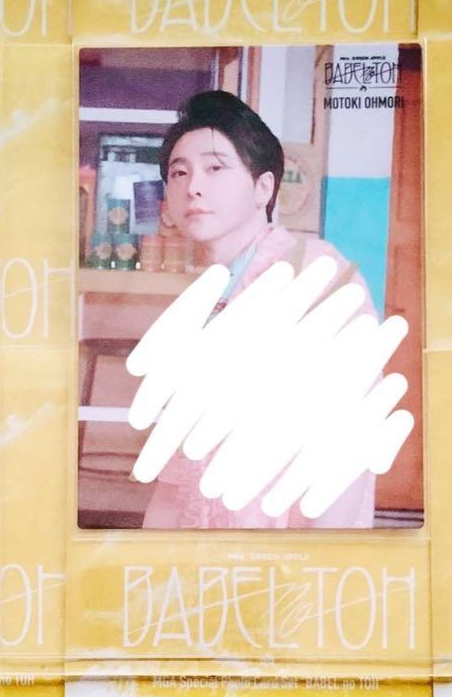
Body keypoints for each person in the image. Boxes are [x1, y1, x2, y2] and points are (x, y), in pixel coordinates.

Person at [141, 89, 377, 530]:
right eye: (179, 172)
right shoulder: (206, 299)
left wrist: (320, 564)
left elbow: (346, 447)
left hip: (283, 557)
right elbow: (176, 470)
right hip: (206, 553)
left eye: (215, 168)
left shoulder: (314, 275)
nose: (193, 186)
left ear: (263, 188)